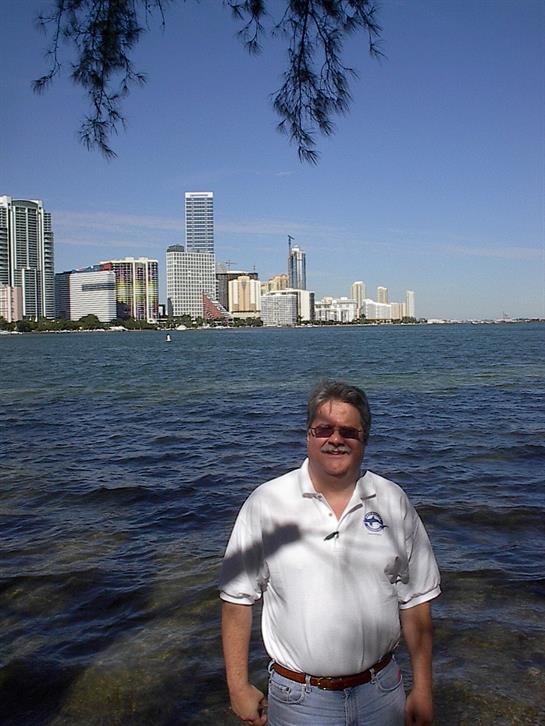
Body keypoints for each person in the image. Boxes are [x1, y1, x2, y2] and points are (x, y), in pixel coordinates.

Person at [219, 380, 441, 726]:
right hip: (299, 701)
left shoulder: (393, 501)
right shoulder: (267, 502)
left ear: (364, 440)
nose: (335, 439)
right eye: (324, 429)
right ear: (308, 435)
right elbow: (236, 600)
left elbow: (416, 602)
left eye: (349, 432)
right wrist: (237, 686)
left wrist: (423, 688)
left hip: (382, 693)